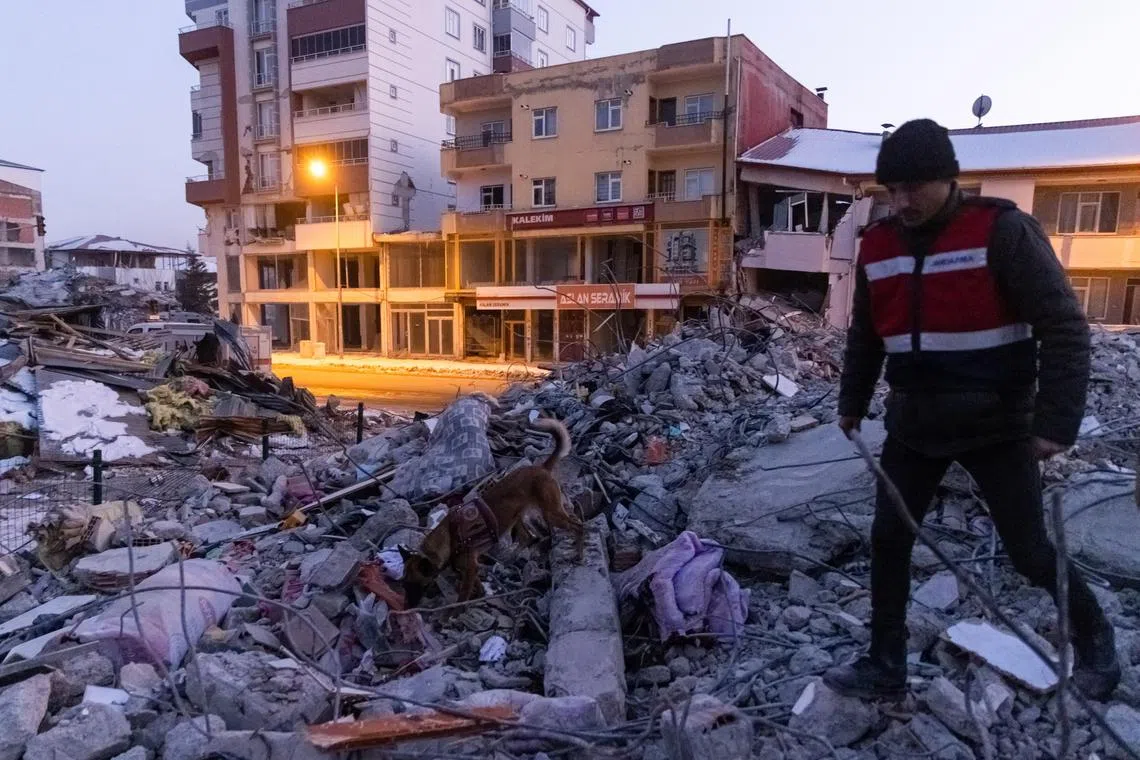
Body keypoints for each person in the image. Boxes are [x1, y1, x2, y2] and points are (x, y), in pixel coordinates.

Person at [824, 118, 1121, 701]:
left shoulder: (1001, 231)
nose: (903, 201)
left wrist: (1056, 423)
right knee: (889, 540)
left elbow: (1064, 325)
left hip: (997, 425)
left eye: (916, 188)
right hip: (914, 425)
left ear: (950, 180)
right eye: (893, 189)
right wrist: (852, 402)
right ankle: (885, 664)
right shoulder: (878, 245)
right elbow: (866, 333)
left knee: (1030, 551)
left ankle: (1098, 645)